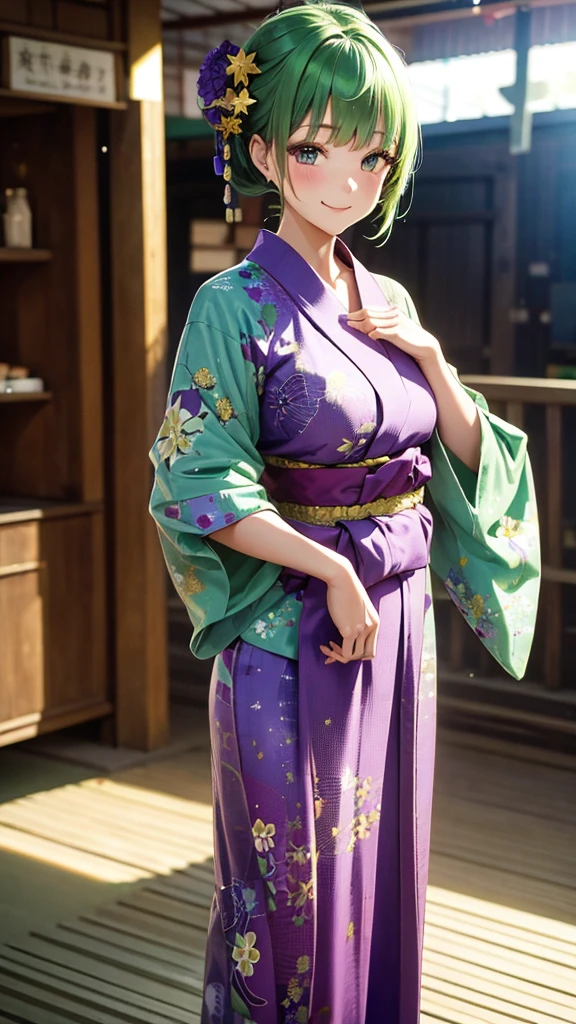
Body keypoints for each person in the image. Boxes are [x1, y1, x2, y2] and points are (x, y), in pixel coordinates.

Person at [149, 4, 540, 1022]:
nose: (347, 181)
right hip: (293, 635)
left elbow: (466, 455)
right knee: (295, 896)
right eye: (318, 149)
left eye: (373, 156)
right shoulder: (230, 305)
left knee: (384, 874)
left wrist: (434, 362)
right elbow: (201, 480)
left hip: (396, 628)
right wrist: (329, 569)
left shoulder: (387, 297)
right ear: (268, 151)